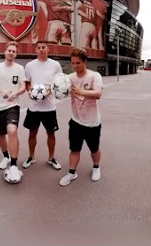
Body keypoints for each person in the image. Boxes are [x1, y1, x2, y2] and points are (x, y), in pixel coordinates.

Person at [59, 48, 103, 186]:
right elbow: (58, 89)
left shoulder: (94, 76)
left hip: (92, 123)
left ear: (85, 62)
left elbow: (98, 94)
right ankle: (72, 173)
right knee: (74, 149)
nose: (75, 66)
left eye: (78, 63)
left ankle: (96, 167)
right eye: (73, 63)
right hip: (76, 121)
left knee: (94, 149)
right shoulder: (70, 78)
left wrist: (80, 91)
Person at [23, 40, 63, 171]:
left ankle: (51, 158)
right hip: (34, 107)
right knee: (32, 133)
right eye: (39, 47)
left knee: (51, 134)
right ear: (36, 50)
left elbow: (59, 82)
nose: (41, 49)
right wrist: (29, 92)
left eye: (43, 47)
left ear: (48, 49)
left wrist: (49, 90)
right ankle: (31, 156)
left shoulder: (55, 65)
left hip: (49, 107)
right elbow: (27, 83)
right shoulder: (29, 65)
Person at [0, 41, 26, 182]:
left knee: (12, 130)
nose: (11, 53)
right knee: (1, 133)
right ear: (5, 52)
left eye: (14, 51)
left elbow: (23, 86)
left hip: (12, 105)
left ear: (16, 54)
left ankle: (14, 165)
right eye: (9, 50)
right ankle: (6, 156)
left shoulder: (19, 68)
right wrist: (2, 92)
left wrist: (16, 93)